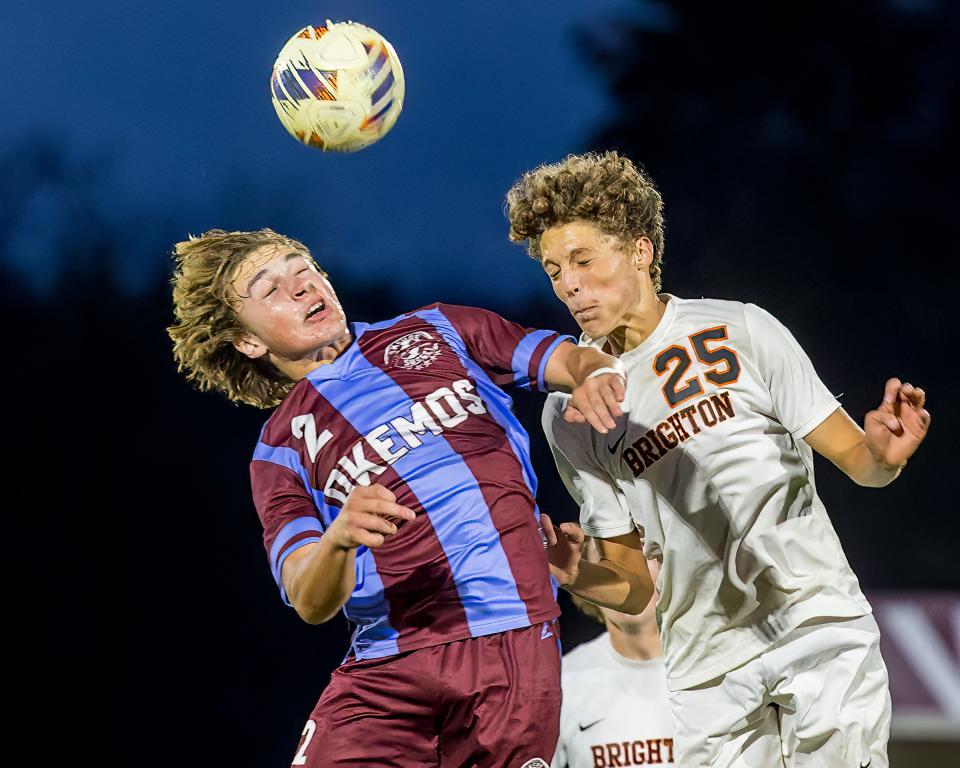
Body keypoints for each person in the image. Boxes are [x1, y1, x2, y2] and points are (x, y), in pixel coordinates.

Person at [166, 227, 652, 768]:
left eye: (304, 269)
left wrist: (595, 376)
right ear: (249, 342)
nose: (302, 287)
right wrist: (340, 539)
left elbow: (571, 358)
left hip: (511, 647)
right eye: (272, 288)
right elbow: (308, 597)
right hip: (387, 671)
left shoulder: (439, 327)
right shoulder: (277, 451)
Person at [505, 152, 931, 768]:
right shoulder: (567, 413)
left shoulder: (742, 330)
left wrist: (884, 455)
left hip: (815, 627)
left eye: (583, 261)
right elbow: (632, 587)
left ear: (640, 251)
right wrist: (577, 572)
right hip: (708, 672)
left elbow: (861, 464)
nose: (568, 284)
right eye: (553, 271)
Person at [552, 538, 674, 768]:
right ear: (586, 583)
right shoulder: (563, 682)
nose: (626, 575)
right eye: (605, 561)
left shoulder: (721, 667)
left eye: (638, 557)